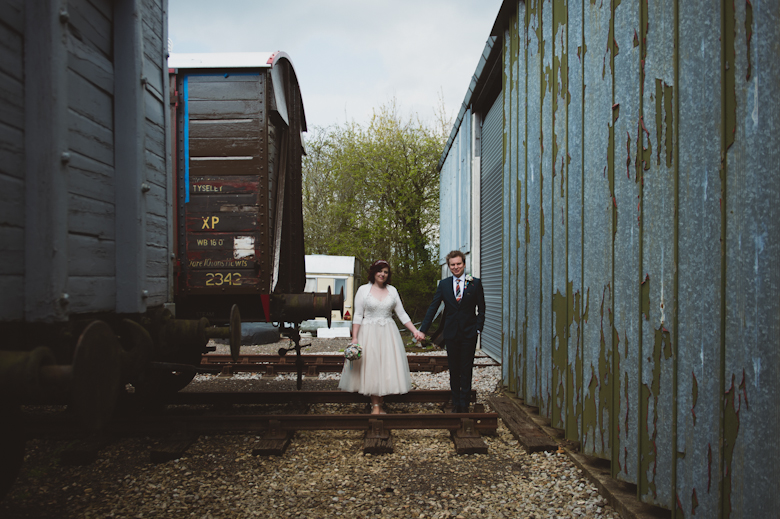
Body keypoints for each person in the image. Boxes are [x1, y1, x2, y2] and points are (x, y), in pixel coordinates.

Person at [339, 260, 425, 414]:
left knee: (386, 366)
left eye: (385, 272)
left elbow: (402, 314)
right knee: (371, 366)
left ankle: (381, 401)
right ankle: (375, 406)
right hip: (368, 332)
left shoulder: (392, 290)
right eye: (380, 271)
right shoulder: (363, 290)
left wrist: (415, 331)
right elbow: (358, 315)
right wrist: (355, 338)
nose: (382, 274)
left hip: (388, 333)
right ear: (373, 272)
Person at [418, 250, 485, 413]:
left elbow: (481, 308)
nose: (456, 267)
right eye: (452, 265)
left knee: (466, 368)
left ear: (464, 264)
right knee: (454, 369)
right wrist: (423, 330)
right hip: (451, 333)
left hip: (469, 333)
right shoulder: (444, 285)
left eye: (458, 264)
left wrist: (478, 328)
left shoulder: (474, 283)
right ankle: (456, 402)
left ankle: (465, 404)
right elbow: (433, 307)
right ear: (449, 266)